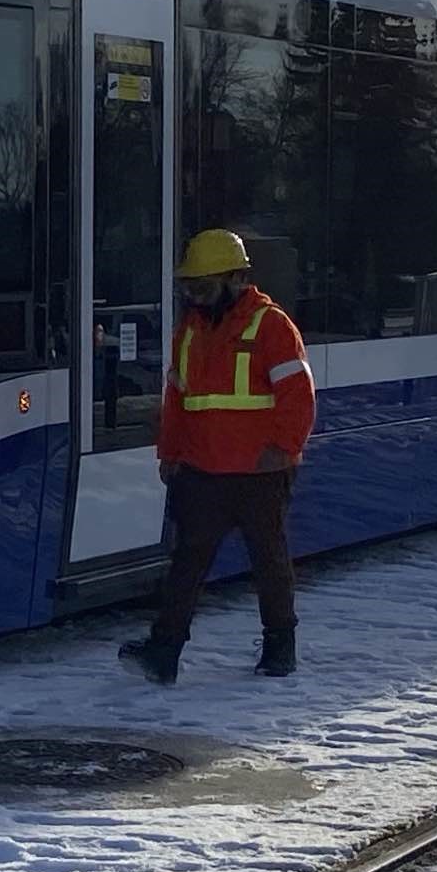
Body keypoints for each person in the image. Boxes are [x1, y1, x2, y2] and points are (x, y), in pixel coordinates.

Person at [120, 228, 316, 685]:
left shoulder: (271, 325)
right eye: (189, 287)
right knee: (187, 562)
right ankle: (164, 651)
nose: (194, 295)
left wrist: (283, 450)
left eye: (202, 286)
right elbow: (178, 399)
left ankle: (279, 647)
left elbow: (298, 397)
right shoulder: (190, 330)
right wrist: (170, 454)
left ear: (234, 278)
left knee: (268, 558)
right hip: (202, 470)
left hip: (259, 471)